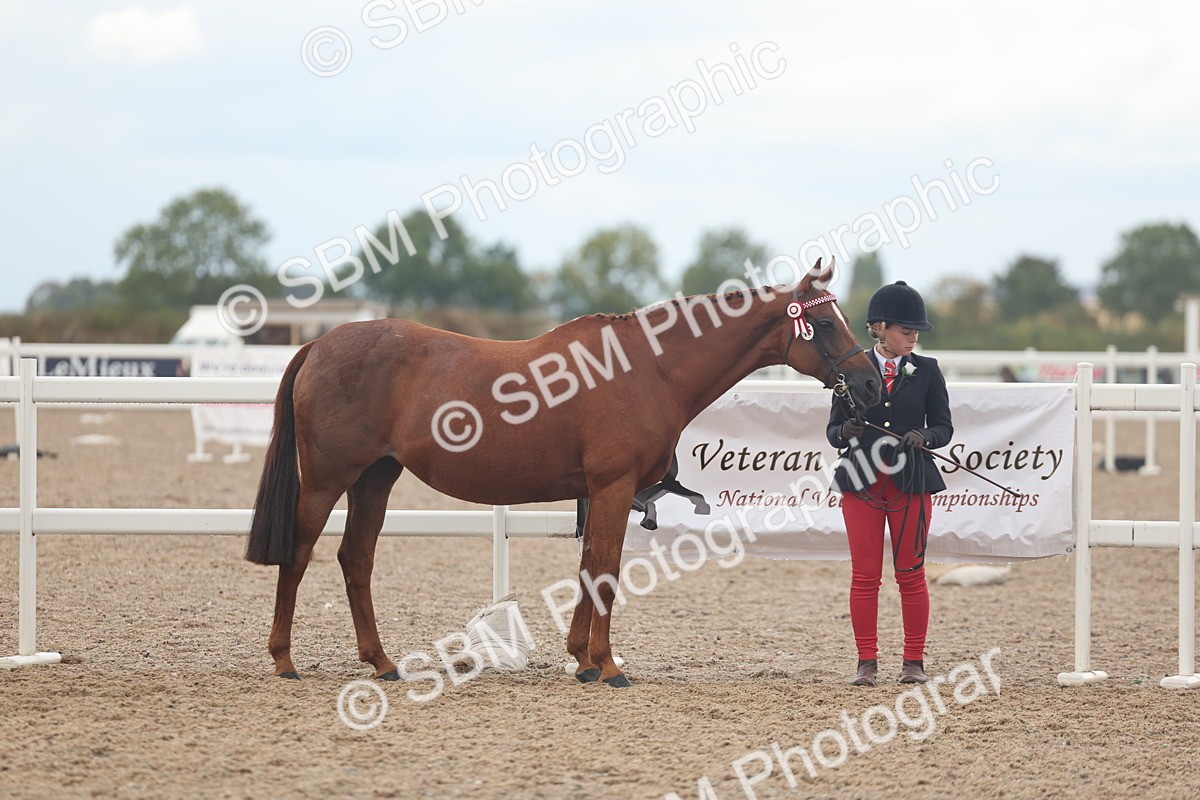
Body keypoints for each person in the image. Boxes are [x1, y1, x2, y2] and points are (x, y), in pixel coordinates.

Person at [826, 281, 953, 687]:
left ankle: (913, 660)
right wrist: (846, 428)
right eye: (905, 330)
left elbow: (944, 426)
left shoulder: (927, 370)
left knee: (910, 573)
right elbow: (831, 432)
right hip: (861, 481)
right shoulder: (851, 368)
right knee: (865, 576)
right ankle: (867, 662)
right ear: (879, 328)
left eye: (916, 332)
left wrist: (926, 438)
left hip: (910, 481)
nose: (913, 338)